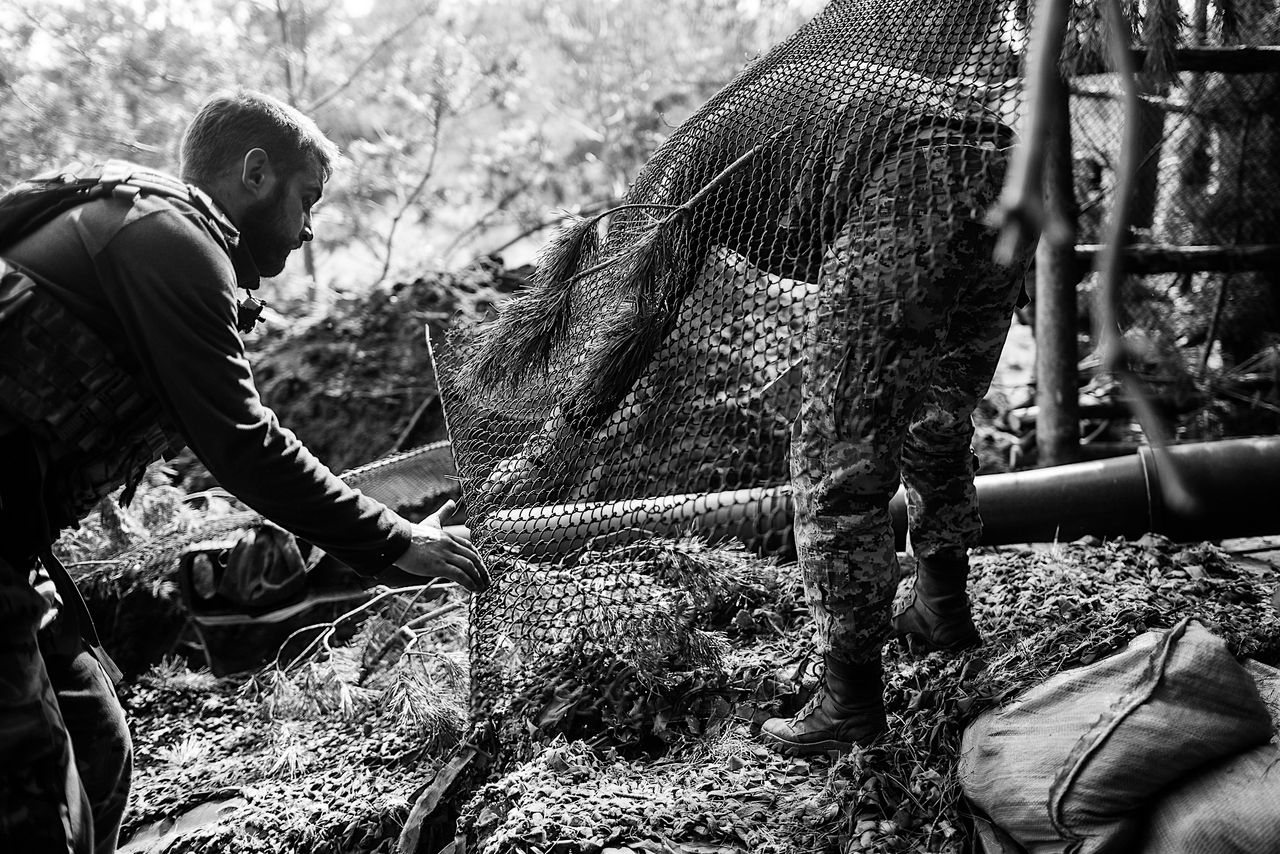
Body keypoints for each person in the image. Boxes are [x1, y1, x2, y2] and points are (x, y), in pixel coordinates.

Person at [0, 88, 488, 853]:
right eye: (306, 199)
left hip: (15, 545)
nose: (309, 228)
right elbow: (244, 446)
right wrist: (396, 541)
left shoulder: (165, 243)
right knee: (28, 785)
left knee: (97, 747)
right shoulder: (166, 238)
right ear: (254, 174)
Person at [757, 112, 1027, 755]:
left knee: (835, 461)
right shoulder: (805, 119)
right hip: (1010, 171)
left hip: (912, 190)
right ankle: (941, 607)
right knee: (938, 413)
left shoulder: (721, 172)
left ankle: (847, 704)